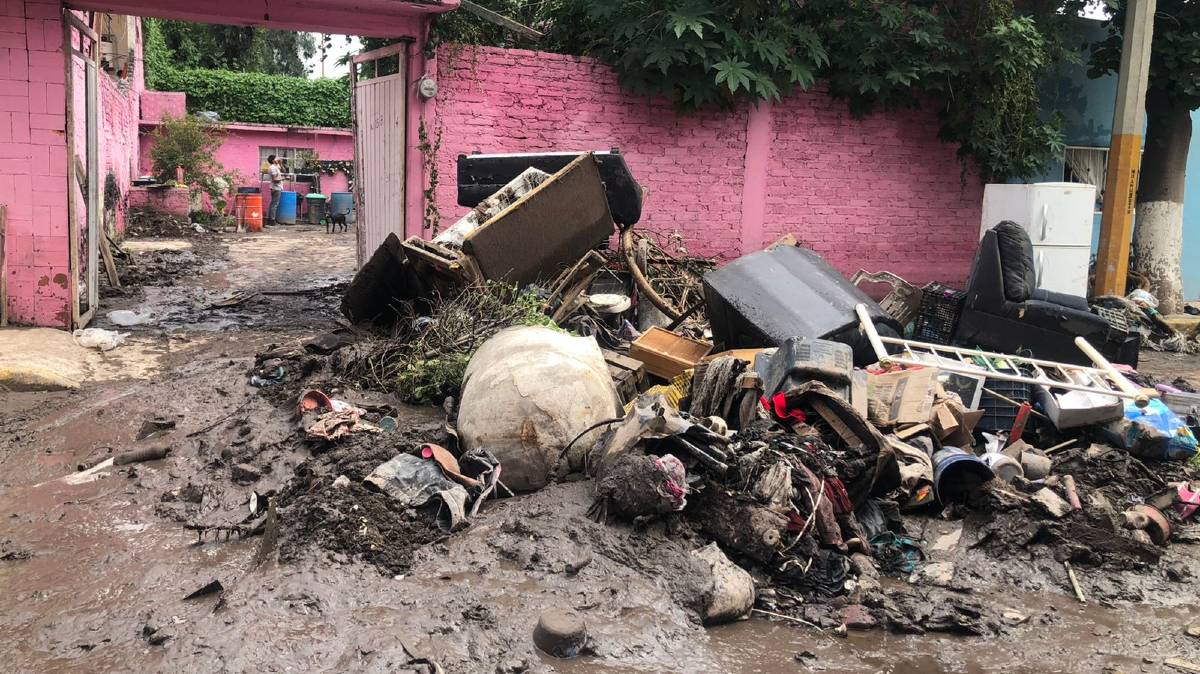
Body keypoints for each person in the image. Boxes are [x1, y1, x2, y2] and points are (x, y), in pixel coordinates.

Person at [267, 154, 283, 225]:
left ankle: (269, 219)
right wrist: (283, 179)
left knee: (273, 204)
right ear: (273, 160)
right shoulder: (272, 168)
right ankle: (272, 220)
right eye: (276, 158)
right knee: (275, 204)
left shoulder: (276, 166)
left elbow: (283, 170)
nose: (278, 159)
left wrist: (280, 163)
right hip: (276, 188)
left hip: (277, 187)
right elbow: (274, 179)